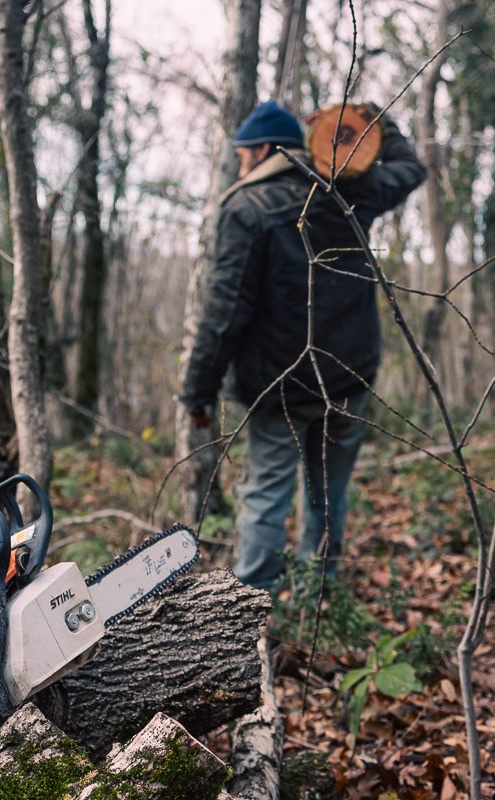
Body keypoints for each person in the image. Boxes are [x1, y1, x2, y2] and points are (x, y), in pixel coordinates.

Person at [180, 100, 427, 591]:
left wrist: (197, 392)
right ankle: (319, 596)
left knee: (267, 494)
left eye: (244, 154)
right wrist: (374, 118)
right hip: (348, 377)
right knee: (328, 495)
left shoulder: (247, 208)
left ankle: (254, 606)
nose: (241, 164)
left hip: (280, 388)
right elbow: (409, 167)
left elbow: (225, 312)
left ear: (265, 150)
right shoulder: (348, 190)